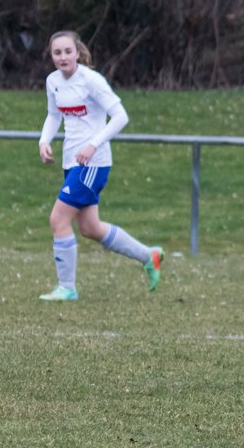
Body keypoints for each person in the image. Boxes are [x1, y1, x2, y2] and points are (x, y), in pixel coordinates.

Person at [37, 31, 163, 301]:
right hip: (73, 162)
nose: (62, 57)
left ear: (77, 52)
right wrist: (44, 140)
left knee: (58, 219)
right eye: (57, 53)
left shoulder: (91, 81)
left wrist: (93, 144)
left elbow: (120, 116)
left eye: (67, 51)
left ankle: (67, 288)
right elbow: (53, 114)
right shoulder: (53, 82)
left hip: (94, 163)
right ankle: (148, 256)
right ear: (51, 55)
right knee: (90, 228)